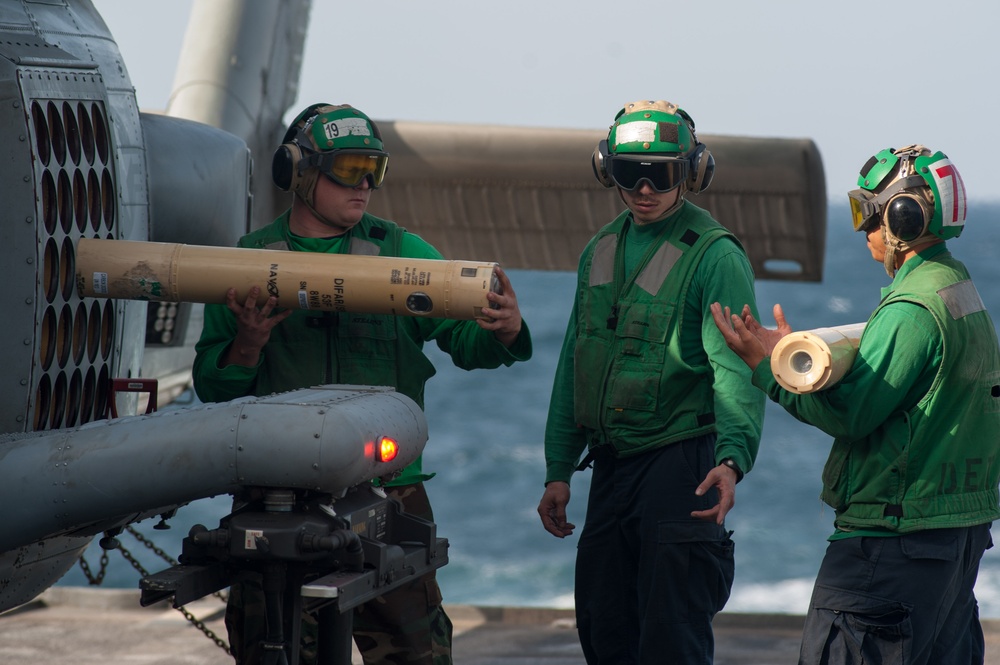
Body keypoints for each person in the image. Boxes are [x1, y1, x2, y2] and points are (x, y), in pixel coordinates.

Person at [193, 103, 532, 665]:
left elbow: (464, 343)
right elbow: (216, 389)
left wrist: (503, 330)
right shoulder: (250, 262)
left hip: (386, 493)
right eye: (349, 169)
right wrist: (248, 343)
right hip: (277, 499)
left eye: (374, 170)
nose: (365, 186)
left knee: (415, 653)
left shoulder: (402, 255)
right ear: (298, 172)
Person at [712, 144, 1000, 664]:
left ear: (902, 216)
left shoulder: (911, 309)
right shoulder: (959, 290)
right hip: (952, 542)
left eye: (865, 211)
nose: (860, 227)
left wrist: (768, 369)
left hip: (891, 548)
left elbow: (852, 415)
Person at [536, 99, 765, 664]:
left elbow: (736, 369)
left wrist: (732, 459)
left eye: (660, 174)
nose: (643, 189)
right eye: (627, 174)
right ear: (605, 170)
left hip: (677, 467)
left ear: (691, 171)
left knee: (672, 638)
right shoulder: (601, 249)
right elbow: (576, 363)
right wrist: (559, 470)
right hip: (611, 469)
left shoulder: (715, 257)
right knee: (603, 627)